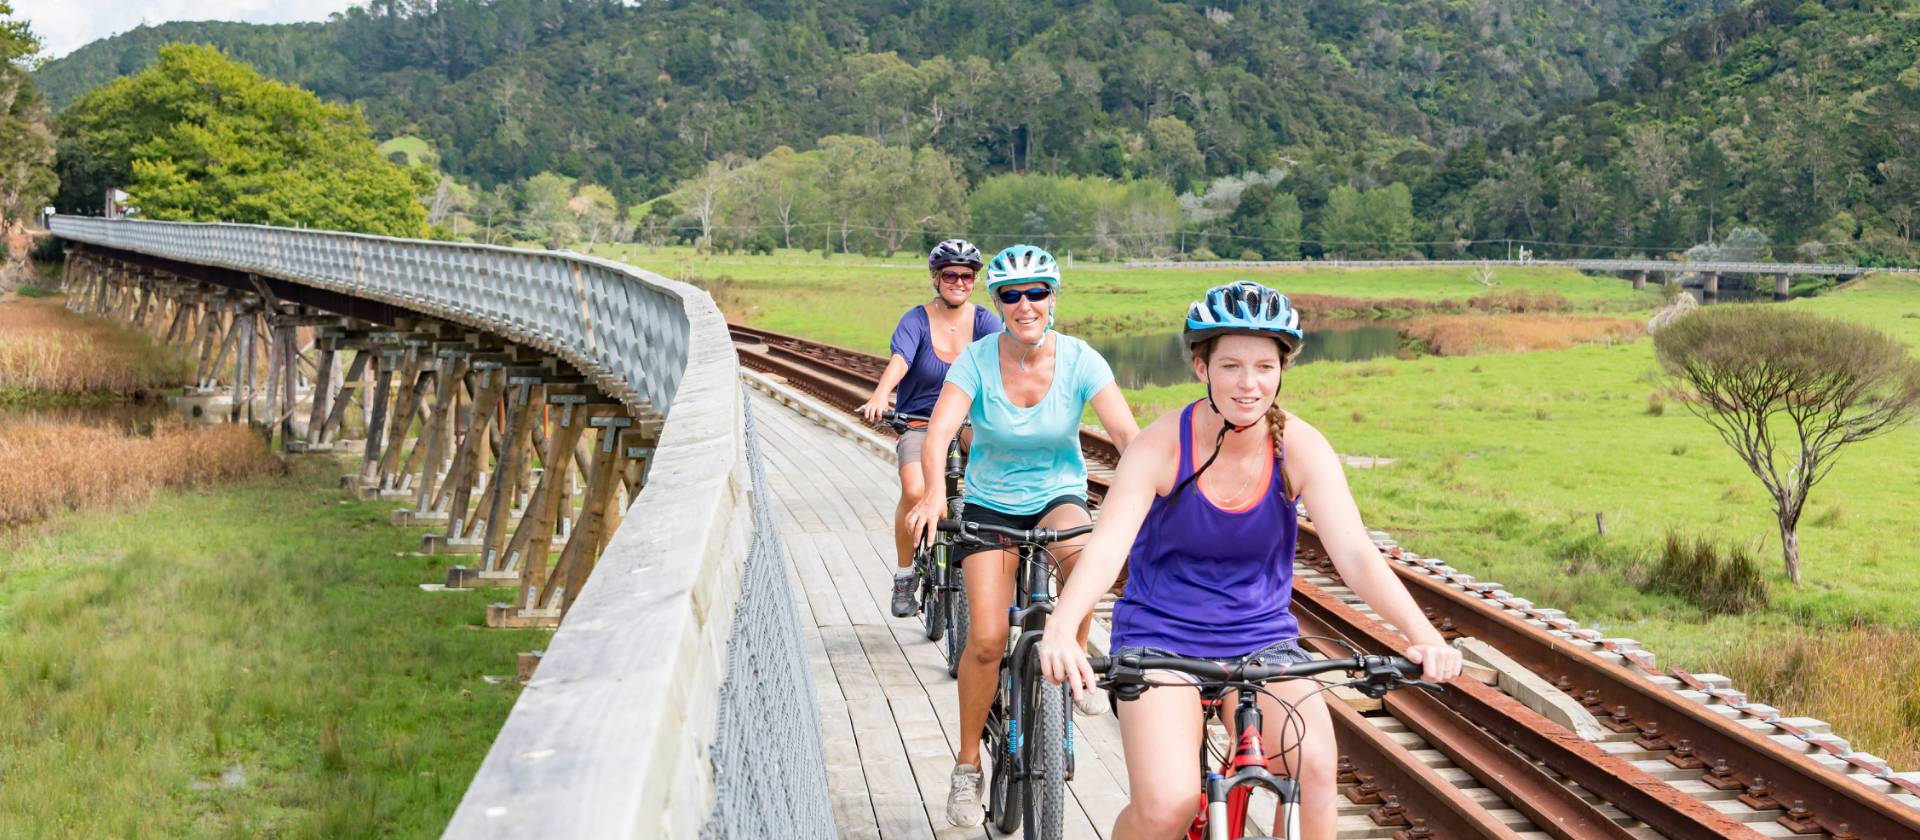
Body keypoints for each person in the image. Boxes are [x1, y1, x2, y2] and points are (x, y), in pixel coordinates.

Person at [1033, 281, 1464, 840]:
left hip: (1262, 640)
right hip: (1161, 641)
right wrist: (1062, 628)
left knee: (1314, 772)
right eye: (1231, 366)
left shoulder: (1299, 447)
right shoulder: (1161, 445)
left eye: (1264, 366)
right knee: (1168, 805)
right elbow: (1109, 543)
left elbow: (1356, 554)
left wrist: (1423, 636)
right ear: (1201, 368)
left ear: (1282, 371)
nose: (1248, 383)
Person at [904, 243, 1141, 828]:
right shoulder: (977, 360)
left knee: (1081, 556)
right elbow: (939, 434)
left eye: (1037, 292)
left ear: (1053, 298)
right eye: (1012, 295)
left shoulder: (1081, 359)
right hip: (991, 505)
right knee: (986, 640)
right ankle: (967, 766)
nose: (1025, 304)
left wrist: (1144, 503)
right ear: (999, 303)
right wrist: (933, 494)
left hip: (1058, 495)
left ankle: (1072, 659)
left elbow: (1129, 439)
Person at [858, 239, 1002, 618]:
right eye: (950, 275)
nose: (959, 282)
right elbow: (901, 359)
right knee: (914, 490)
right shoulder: (916, 320)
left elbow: (1004, 360)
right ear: (936, 278)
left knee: (998, 467)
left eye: (967, 276)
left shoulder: (985, 322)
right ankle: (905, 574)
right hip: (920, 422)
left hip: (968, 421)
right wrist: (880, 395)